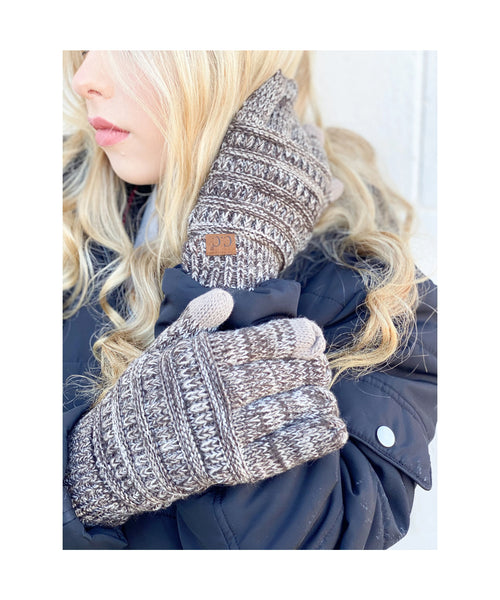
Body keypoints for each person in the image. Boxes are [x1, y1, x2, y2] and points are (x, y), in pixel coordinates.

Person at [63, 50, 437, 550]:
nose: (84, 78)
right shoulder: (58, 219)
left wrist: (233, 257)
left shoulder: (380, 301)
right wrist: (90, 478)